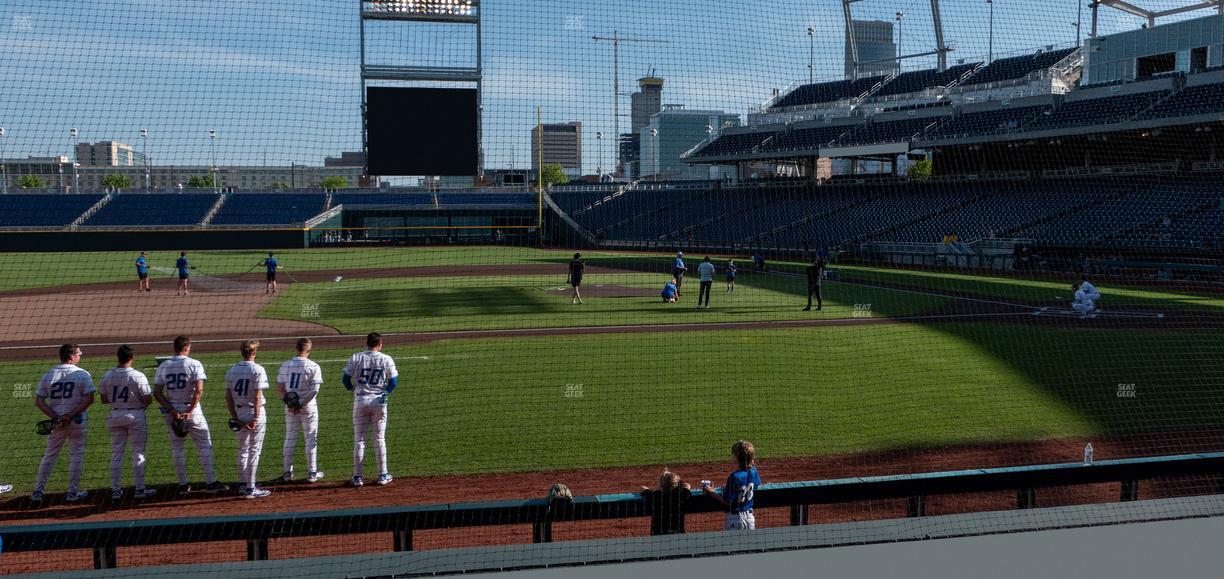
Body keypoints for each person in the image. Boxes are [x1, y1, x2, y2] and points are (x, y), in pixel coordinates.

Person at [154, 335, 227, 494]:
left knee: (177, 448)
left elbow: (158, 393)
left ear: (175, 348)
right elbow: (199, 391)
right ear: (186, 347)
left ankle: (183, 485)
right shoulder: (194, 364)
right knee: (204, 445)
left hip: (172, 412)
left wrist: (172, 410)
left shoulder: (164, 365)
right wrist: (190, 411)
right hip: (192, 411)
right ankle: (211, 483)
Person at [32, 344, 95, 506]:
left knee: (50, 455)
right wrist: (70, 415)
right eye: (79, 354)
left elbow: (39, 401)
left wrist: (56, 416)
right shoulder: (82, 374)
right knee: (76, 455)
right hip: (77, 421)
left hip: (57, 424)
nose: (80, 356)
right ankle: (73, 492)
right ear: (72, 356)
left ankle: (38, 492)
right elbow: (89, 399)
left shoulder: (49, 374)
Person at [100, 345, 156, 500]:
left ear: (118, 357)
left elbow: (103, 399)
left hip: (115, 415)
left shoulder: (108, 375)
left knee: (117, 453)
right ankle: (139, 490)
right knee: (138, 453)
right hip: (135, 415)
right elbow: (147, 399)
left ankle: (116, 490)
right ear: (132, 357)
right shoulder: (138, 375)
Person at [344, 332, 399, 487]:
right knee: (379, 439)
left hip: (360, 400)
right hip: (378, 402)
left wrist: (352, 389)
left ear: (367, 343)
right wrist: (385, 392)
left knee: (359, 440)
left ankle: (357, 477)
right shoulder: (386, 359)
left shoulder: (356, 357)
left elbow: (345, 379)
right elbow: (393, 382)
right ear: (380, 344)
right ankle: (383, 475)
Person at [225, 340, 271, 499]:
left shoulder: (232, 370)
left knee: (242, 449)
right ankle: (251, 488)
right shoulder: (258, 370)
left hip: (239, 412)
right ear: (254, 353)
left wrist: (235, 417)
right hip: (254, 412)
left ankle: (244, 484)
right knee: (254, 450)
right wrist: (256, 418)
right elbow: (257, 397)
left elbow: (228, 398)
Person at [278, 338, 325, 483]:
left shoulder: (286, 365)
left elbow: (280, 389)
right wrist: (301, 404)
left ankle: (287, 473)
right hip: (308, 407)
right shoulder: (314, 366)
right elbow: (314, 391)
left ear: (296, 348)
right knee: (310, 438)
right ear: (309, 351)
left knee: (290, 437)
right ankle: (312, 473)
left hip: (290, 408)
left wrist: (291, 404)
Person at [702, 440, 762, 531]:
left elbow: (727, 501)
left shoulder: (734, 476)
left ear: (736, 457)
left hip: (735, 519)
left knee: (732, 544)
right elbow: (755, 486)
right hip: (750, 518)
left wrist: (711, 492)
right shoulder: (754, 471)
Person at [640, 469, 692, 535]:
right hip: (678, 534)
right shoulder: (683, 495)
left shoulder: (655, 495)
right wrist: (670, 478)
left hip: (657, 536)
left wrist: (660, 485)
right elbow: (687, 485)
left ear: (661, 485)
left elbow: (643, 488)